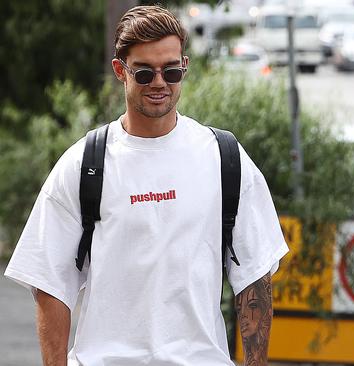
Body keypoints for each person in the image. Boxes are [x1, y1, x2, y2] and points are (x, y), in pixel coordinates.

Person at [4, 5, 288, 366]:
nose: (159, 82)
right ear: (120, 70)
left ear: (184, 67)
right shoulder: (84, 165)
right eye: (144, 73)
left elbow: (254, 277)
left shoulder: (224, 158)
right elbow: (49, 283)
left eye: (171, 71)